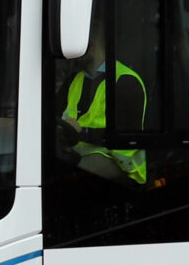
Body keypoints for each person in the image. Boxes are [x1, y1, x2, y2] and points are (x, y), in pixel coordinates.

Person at [63, 53, 152, 185]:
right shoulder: (75, 79)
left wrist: (82, 132)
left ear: (91, 43)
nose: (69, 55)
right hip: (76, 150)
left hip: (121, 161)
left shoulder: (126, 81)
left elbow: (125, 136)